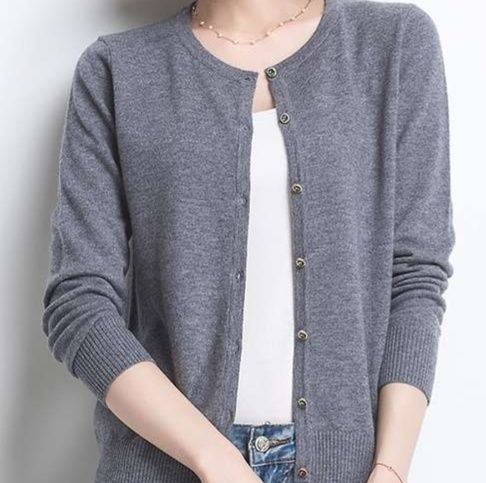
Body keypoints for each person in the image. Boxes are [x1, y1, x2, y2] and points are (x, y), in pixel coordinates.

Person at [41, 0, 455, 482]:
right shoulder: (118, 69)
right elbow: (80, 303)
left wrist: (391, 468)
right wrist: (214, 459)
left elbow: (414, 275)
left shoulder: (393, 44)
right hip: (164, 465)